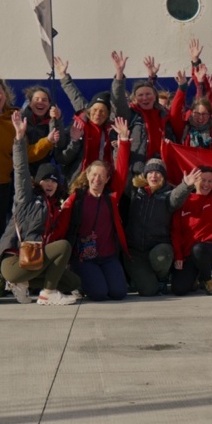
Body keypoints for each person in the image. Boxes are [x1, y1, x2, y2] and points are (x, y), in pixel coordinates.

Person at [0, 113, 79, 305]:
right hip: (15, 261)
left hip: (34, 259)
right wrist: (19, 138)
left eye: (53, 181)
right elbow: (21, 170)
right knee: (63, 246)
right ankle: (47, 293)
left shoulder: (54, 206)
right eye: (45, 180)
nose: (49, 184)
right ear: (38, 183)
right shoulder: (26, 198)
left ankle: (23, 283)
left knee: (73, 282)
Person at [50, 117, 132, 302]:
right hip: (83, 258)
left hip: (108, 256)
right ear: (87, 175)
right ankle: (78, 281)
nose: (97, 179)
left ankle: (98, 279)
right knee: (99, 294)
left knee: (119, 293)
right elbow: (62, 226)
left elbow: (122, 168)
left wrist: (124, 141)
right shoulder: (76, 198)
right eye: (94, 175)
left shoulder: (111, 197)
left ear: (107, 178)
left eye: (102, 176)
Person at [0, 77, 53, 260]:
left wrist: (48, 141)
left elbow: (27, 153)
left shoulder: (13, 118)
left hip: (1, 185)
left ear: (5, 95)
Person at [121, 157, 197, 296]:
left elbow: (176, 197)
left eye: (158, 173)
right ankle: (144, 278)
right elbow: (120, 172)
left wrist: (186, 185)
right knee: (149, 291)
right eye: (150, 172)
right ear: (145, 174)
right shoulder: (135, 190)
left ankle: (162, 276)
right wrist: (120, 148)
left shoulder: (167, 195)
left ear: (163, 176)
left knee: (162, 255)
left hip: (158, 248)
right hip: (135, 252)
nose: (154, 176)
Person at [171, 163, 212, 296]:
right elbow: (175, 231)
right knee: (179, 289)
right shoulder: (184, 202)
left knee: (199, 249)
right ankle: (195, 277)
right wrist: (178, 256)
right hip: (189, 254)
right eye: (203, 180)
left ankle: (207, 279)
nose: (206, 184)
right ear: (195, 182)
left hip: (211, 251)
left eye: (210, 181)